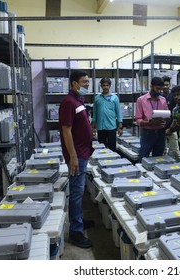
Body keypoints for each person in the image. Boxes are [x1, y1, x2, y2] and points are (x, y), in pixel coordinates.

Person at [59, 70, 94, 248]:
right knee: (76, 192)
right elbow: (66, 130)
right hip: (77, 154)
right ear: (74, 83)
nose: (87, 84)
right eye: (84, 82)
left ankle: (78, 220)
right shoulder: (68, 102)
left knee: (79, 191)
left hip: (83, 152)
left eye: (88, 82)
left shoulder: (79, 100)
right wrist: (72, 156)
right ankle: (75, 231)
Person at [135, 76, 169, 161]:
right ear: (151, 86)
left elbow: (167, 115)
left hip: (161, 133)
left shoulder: (163, 100)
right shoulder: (141, 100)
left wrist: (166, 119)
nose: (159, 91)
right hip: (147, 133)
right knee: (143, 158)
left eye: (161, 89)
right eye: (157, 88)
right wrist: (150, 123)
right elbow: (138, 120)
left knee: (158, 160)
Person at [92, 77, 123, 152]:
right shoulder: (97, 98)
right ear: (101, 86)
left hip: (111, 127)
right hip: (100, 127)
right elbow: (95, 113)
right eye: (104, 85)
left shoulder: (115, 98)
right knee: (101, 149)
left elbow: (118, 112)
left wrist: (120, 127)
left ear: (110, 86)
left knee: (112, 149)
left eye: (107, 85)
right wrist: (93, 127)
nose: (105, 87)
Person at [162, 76, 180, 162]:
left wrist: (171, 128)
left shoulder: (173, 96)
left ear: (169, 85)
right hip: (161, 128)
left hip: (172, 128)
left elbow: (177, 113)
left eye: (167, 85)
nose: (165, 87)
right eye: (164, 85)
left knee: (175, 151)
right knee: (163, 151)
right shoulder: (159, 97)